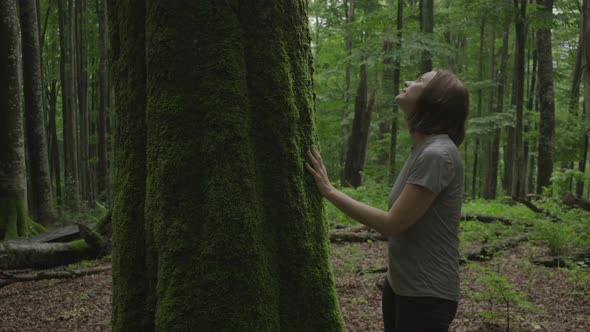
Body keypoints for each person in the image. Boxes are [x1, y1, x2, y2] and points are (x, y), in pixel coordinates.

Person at [305, 69, 468, 332]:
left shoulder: (438, 154)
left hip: (426, 295)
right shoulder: (422, 149)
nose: (407, 82)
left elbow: (391, 224)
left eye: (420, 81)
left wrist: (330, 191)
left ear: (435, 100)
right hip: (401, 285)